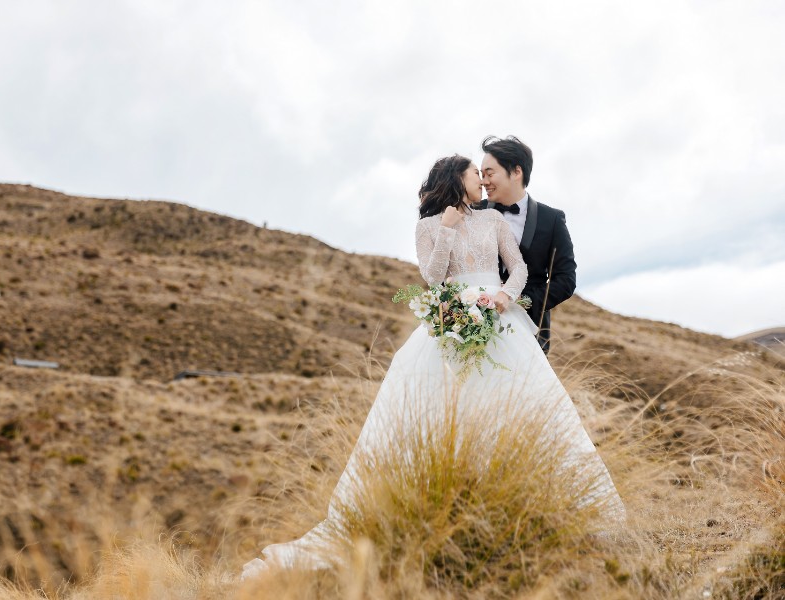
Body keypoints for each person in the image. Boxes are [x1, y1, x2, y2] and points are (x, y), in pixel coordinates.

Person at [241, 155, 623, 579]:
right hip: (449, 323)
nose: (481, 179)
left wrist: (505, 297)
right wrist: (445, 231)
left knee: (517, 405)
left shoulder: (494, 221)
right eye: (473, 174)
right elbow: (434, 279)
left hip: (500, 322)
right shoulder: (426, 228)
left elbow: (517, 268)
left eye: (485, 172)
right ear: (455, 180)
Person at [475, 136, 575, 354]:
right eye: (482, 175)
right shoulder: (473, 212)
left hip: (529, 335)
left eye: (490, 173)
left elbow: (566, 280)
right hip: (472, 331)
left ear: (516, 172)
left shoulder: (552, 220)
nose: (484, 182)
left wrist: (522, 300)